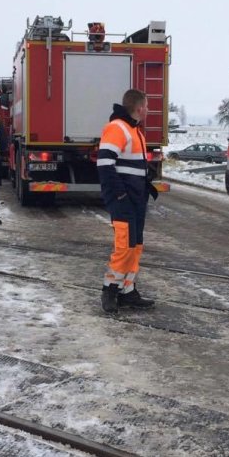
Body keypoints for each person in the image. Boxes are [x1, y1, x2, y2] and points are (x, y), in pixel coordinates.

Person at [96, 89, 158, 313]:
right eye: (147, 106)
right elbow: (104, 165)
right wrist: (121, 194)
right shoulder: (117, 128)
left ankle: (127, 291)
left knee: (136, 245)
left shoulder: (134, 130)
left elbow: (129, 165)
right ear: (139, 107)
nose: (149, 109)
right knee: (124, 245)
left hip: (136, 198)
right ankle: (110, 290)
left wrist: (146, 181)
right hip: (123, 199)